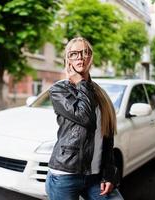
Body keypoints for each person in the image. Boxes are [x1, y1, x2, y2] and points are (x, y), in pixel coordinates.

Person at [45, 37, 124, 200]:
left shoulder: (99, 92)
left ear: (91, 58)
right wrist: (80, 81)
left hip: (95, 176)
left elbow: (107, 135)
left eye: (84, 52)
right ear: (68, 60)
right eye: (74, 54)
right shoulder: (59, 90)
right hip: (66, 175)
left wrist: (109, 174)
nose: (80, 57)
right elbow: (86, 117)